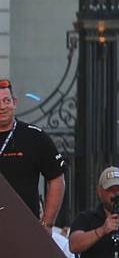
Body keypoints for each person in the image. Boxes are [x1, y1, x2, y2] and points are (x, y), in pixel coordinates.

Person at [0, 78, 65, 230]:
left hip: (24, 228)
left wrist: (47, 223)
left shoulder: (34, 137)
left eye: (6, 100)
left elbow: (56, 178)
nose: (2, 107)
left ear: (14, 103)